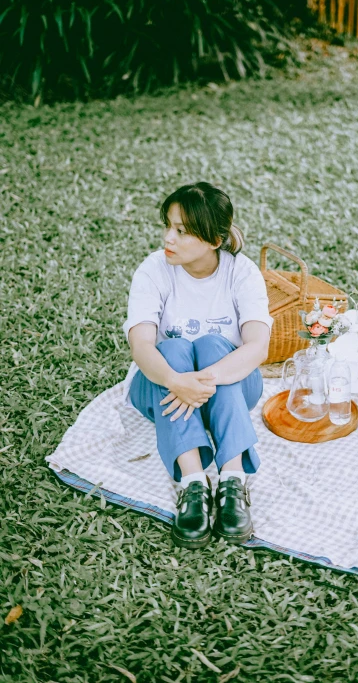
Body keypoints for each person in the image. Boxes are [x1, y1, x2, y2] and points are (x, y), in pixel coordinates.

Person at [121, 182, 273, 549]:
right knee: (172, 350)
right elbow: (141, 345)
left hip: (231, 389)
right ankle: (193, 484)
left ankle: (232, 480)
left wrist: (202, 381)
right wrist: (176, 380)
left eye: (182, 231)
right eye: (168, 226)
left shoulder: (241, 272)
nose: (167, 238)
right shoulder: (153, 270)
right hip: (160, 387)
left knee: (211, 346)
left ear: (214, 240)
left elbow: (258, 347)